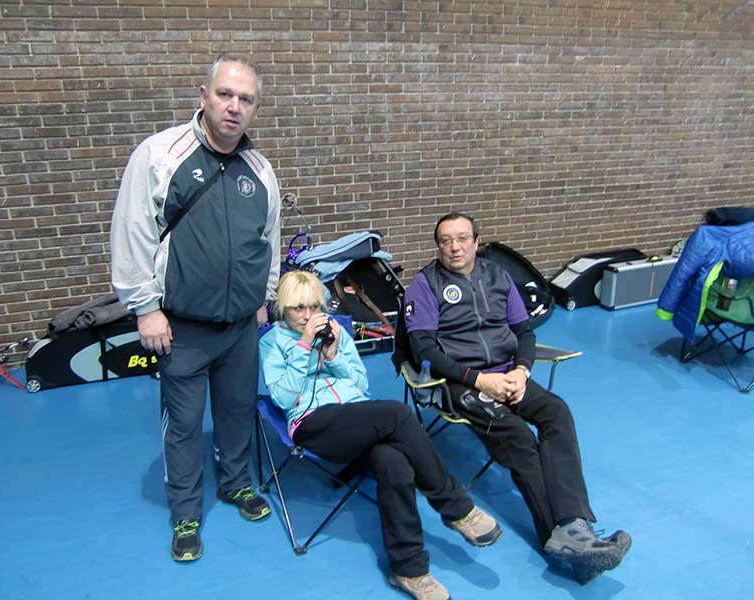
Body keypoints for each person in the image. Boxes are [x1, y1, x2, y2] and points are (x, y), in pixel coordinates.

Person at [110, 54, 280, 562]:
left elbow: (268, 239)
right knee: (183, 425)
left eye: (245, 99)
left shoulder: (260, 169)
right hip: (181, 328)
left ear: (255, 109)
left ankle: (236, 483)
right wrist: (145, 308)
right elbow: (131, 234)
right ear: (203, 96)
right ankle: (185, 512)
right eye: (225, 95)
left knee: (236, 411)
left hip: (240, 327)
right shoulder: (160, 155)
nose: (234, 107)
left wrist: (264, 298)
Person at [403, 211, 631, 584]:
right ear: (438, 246)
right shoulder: (424, 285)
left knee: (556, 412)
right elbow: (425, 350)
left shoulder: (498, 276)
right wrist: (479, 381)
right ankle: (563, 540)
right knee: (518, 436)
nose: (455, 247)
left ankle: (575, 524)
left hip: (509, 374)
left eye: (462, 238)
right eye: (446, 240)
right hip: (460, 382)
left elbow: (523, 331)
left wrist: (521, 371)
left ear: (477, 242)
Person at [259, 270, 503, 600]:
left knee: (394, 464)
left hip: (357, 417)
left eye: (314, 307)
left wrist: (333, 356)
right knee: (397, 414)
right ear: (284, 309)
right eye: (298, 308)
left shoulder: (334, 331)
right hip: (313, 423)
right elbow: (284, 398)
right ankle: (457, 508)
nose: (308, 315)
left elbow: (360, 383)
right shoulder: (272, 342)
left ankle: (409, 570)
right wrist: (304, 347)